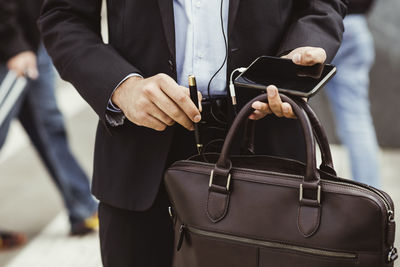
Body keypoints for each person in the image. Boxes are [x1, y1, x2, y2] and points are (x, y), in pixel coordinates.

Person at [39, 0, 348, 266]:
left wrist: (298, 54)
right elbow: (64, 16)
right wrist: (123, 87)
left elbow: (321, 6)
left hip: (264, 142)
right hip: (141, 157)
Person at [0, 0, 98, 237]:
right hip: (11, 44)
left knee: (49, 124)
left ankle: (83, 208)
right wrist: (12, 42)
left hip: (33, 38)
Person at [325, 0, 380, 188]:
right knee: (356, 121)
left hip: (317, 25)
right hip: (356, 25)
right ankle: (370, 194)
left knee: (287, 106)